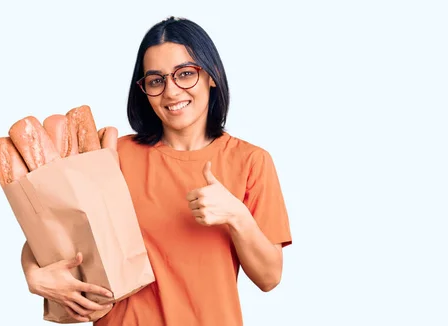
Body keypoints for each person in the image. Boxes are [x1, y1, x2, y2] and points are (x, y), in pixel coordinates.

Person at [21, 16, 292, 325]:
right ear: (144, 89)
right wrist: (33, 273)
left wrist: (237, 215)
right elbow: (52, 231)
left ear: (212, 76)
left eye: (185, 74)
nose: (171, 91)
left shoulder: (250, 161)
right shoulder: (115, 155)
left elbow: (270, 277)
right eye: (156, 80)